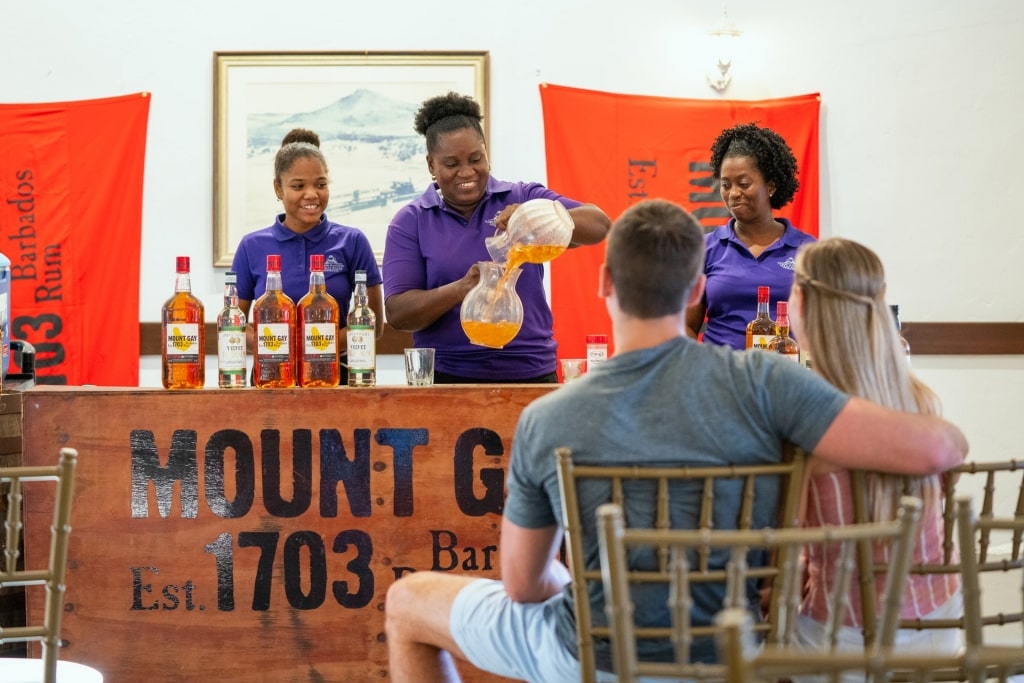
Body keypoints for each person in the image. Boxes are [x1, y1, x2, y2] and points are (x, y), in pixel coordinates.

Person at [384, 199, 968, 683]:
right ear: (696, 289)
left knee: (408, 603)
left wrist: (568, 580)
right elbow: (939, 449)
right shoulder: (768, 382)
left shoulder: (548, 416)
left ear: (605, 282)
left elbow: (522, 585)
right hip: (730, 653)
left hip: (591, 655)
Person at [788, 238, 962, 675]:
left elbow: (786, 553)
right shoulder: (921, 401)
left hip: (845, 639)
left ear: (804, 302)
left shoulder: (809, 422)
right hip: (941, 622)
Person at [382, 91, 611, 383]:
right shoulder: (411, 221)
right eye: (451, 164)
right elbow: (399, 313)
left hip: (530, 372)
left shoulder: (522, 197)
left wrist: (536, 217)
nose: (467, 172)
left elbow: (599, 224)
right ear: (431, 165)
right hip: (448, 378)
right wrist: (463, 287)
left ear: (486, 152)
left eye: (476, 158)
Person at [231, 128, 384, 347]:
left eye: (320, 185)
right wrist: (278, 346)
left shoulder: (353, 241)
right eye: (298, 186)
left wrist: (313, 346)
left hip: (335, 376)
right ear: (278, 189)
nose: (312, 194)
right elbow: (235, 322)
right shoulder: (251, 246)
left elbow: (373, 326)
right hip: (271, 374)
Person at [686, 122, 816, 350]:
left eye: (744, 184)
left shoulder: (807, 250)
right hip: (721, 376)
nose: (734, 193)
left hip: (785, 376)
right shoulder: (705, 249)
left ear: (771, 186)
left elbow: (821, 326)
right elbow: (687, 326)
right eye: (726, 185)